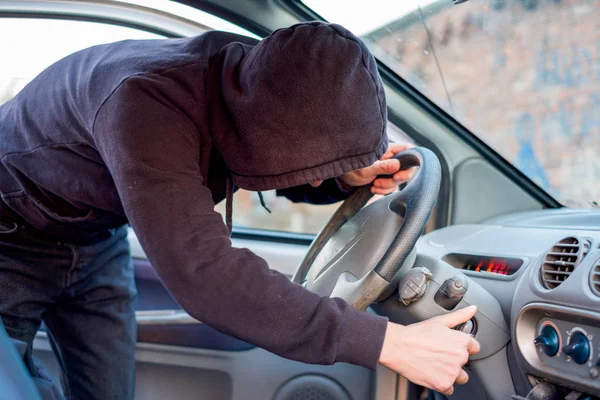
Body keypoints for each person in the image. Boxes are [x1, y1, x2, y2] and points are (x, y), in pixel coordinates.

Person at [0, 21, 479, 400]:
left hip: (96, 237)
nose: (311, 175)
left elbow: (255, 157)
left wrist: (339, 176)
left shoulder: (256, 78)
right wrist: (390, 342)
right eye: (313, 166)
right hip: (11, 240)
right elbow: (205, 275)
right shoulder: (145, 104)